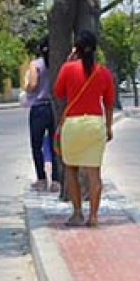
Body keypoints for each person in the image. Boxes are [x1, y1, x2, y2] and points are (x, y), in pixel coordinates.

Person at [53, 30, 115, 226]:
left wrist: (67, 62)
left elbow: (58, 92)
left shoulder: (68, 69)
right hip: (95, 124)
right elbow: (109, 102)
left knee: (70, 169)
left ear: (76, 49)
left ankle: (77, 212)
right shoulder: (104, 73)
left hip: (73, 124)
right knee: (94, 173)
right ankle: (94, 216)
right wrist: (108, 127)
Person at [25, 36, 62, 194]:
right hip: (54, 107)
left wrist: (26, 87)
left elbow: (33, 85)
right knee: (55, 145)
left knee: (36, 144)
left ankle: (41, 179)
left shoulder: (35, 64)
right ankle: (56, 180)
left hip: (39, 108)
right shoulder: (57, 64)